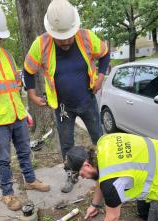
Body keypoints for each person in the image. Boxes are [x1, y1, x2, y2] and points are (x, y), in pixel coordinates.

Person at [24, 0, 110, 193]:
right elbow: (28, 70)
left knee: (100, 138)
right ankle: (71, 175)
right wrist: (32, 95)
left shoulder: (87, 37)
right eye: (59, 37)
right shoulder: (41, 44)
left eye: (68, 37)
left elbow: (105, 54)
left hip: (88, 101)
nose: (64, 42)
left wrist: (101, 78)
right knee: (66, 143)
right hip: (63, 108)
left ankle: (106, 173)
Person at [0, 1, 50, 211]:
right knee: (3, 159)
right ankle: (7, 194)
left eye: (0, 36)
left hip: (17, 115)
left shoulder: (7, 55)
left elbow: (13, 87)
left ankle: (30, 180)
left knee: (24, 152)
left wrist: (25, 110)